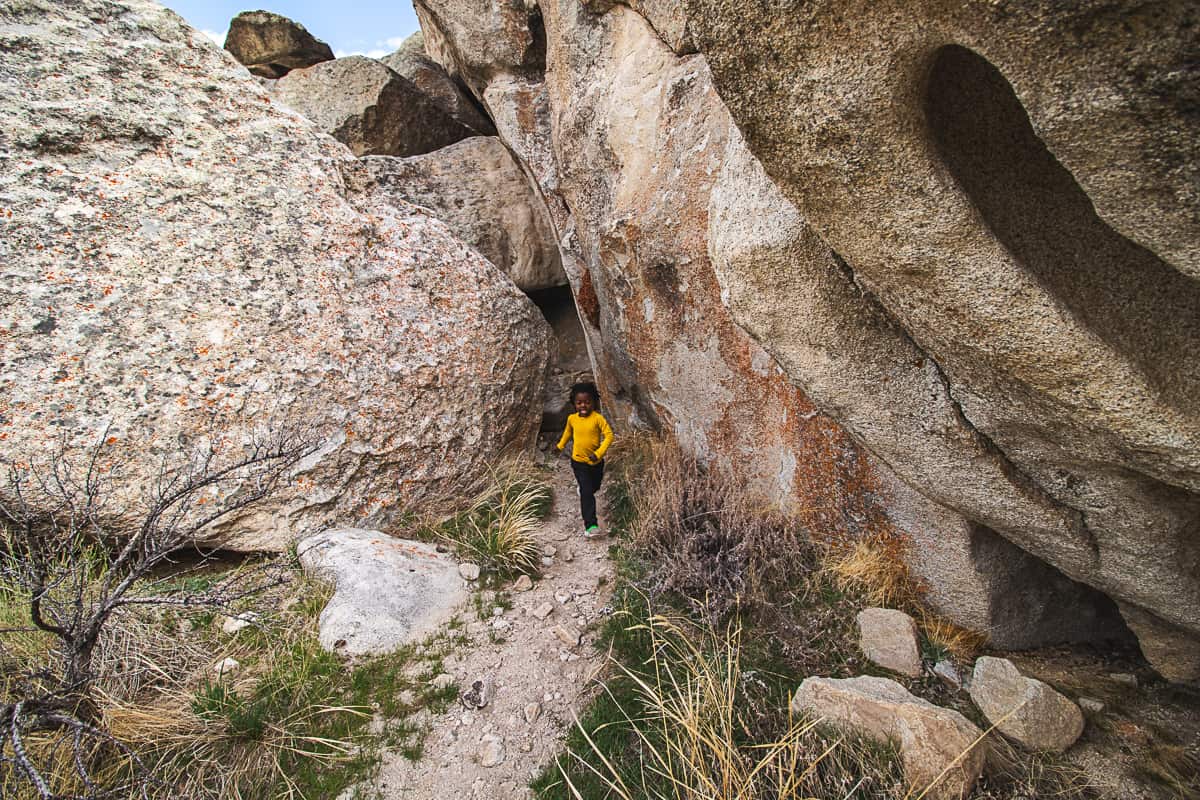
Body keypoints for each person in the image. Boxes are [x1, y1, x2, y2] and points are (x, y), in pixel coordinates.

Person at [556, 381, 614, 537]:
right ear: (574, 403)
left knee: (594, 487)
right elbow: (568, 433)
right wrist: (560, 446)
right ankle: (590, 525)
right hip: (578, 462)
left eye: (587, 402)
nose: (583, 406)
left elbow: (609, 435)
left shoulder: (598, 418)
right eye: (579, 403)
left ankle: (584, 489)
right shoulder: (572, 419)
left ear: (594, 402)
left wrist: (599, 453)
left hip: (596, 462)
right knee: (587, 493)